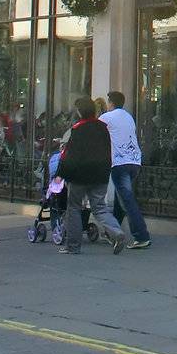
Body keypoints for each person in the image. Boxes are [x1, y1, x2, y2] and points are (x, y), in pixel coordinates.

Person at [56, 95, 127, 256]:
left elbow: (70, 155)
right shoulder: (103, 127)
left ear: (80, 112)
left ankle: (73, 246)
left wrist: (60, 174)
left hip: (80, 175)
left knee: (73, 207)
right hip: (100, 174)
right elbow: (108, 150)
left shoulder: (78, 129)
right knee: (100, 207)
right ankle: (116, 231)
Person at [101, 91, 151, 249]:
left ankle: (141, 235)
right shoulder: (128, 116)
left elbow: (96, 133)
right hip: (134, 162)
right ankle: (112, 232)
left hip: (119, 162)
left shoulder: (107, 117)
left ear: (111, 103)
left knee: (127, 201)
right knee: (120, 199)